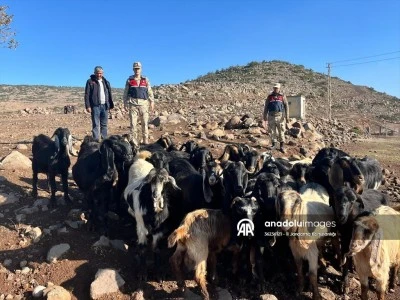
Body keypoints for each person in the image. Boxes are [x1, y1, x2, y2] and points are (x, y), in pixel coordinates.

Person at [123, 61, 155, 144]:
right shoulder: (130, 80)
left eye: (138, 69)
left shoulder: (145, 79)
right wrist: (125, 103)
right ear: (133, 69)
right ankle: (134, 142)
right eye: (135, 69)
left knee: (144, 123)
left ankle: (145, 140)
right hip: (133, 104)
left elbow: (150, 91)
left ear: (141, 69)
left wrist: (152, 102)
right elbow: (126, 92)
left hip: (144, 104)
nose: (137, 70)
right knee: (133, 124)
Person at [84, 66, 114, 141]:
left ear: (103, 73)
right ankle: (96, 141)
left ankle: (104, 141)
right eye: (97, 73)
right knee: (96, 124)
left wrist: (110, 104)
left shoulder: (106, 82)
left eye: (100, 73)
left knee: (104, 124)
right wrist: (88, 106)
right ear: (94, 73)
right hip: (95, 106)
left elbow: (109, 93)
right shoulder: (90, 81)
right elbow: (87, 94)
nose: (99, 75)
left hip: (105, 106)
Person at [262, 83, 289, 153]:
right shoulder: (269, 97)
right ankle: (274, 145)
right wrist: (264, 116)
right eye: (274, 88)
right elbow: (266, 107)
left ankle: (282, 146)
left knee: (281, 131)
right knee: (272, 131)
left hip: (280, 116)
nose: (275, 89)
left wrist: (287, 116)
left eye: (277, 88)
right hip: (271, 116)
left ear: (279, 88)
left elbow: (286, 106)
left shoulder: (282, 96)